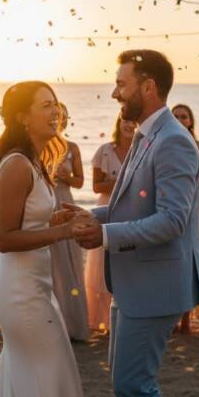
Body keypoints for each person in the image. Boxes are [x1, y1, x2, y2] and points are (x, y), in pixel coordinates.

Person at [70, 50, 199, 397]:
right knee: (124, 382)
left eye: (120, 84)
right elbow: (131, 204)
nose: (115, 93)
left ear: (148, 87)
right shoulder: (146, 134)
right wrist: (88, 216)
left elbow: (172, 221)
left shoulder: (173, 140)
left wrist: (104, 235)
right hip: (133, 283)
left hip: (155, 286)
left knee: (133, 386)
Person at [0, 81, 87, 397]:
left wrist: (54, 219)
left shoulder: (35, 161)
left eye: (55, 103)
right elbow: (5, 238)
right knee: (49, 370)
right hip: (19, 290)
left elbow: (27, 221)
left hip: (35, 284)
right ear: (22, 118)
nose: (55, 110)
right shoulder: (16, 164)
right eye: (46, 105)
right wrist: (62, 232)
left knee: (29, 372)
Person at [86, 115, 136, 333]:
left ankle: (128, 315)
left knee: (129, 263)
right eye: (125, 121)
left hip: (134, 209)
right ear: (118, 123)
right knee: (102, 266)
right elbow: (96, 186)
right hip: (108, 207)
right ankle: (103, 320)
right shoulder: (104, 150)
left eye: (132, 122)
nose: (129, 124)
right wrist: (121, 183)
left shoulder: (142, 149)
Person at [172, 103, 199, 334]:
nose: (179, 119)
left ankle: (187, 319)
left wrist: (180, 180)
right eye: (175, 116)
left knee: (189, 262)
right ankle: (171, 317)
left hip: (190, 209)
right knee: (171, 261)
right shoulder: (163, 143)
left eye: (184, 116)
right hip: (167, 206)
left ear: (190, 121)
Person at [49, 102, 89, 342]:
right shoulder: (40, 147)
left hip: (64, 199)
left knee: (69, 261)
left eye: (61, 116)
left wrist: (67, 177)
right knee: (50, 263)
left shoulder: (72, 148)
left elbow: (81, 181)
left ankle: (73, 324)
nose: (58, 120)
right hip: (46, 203)